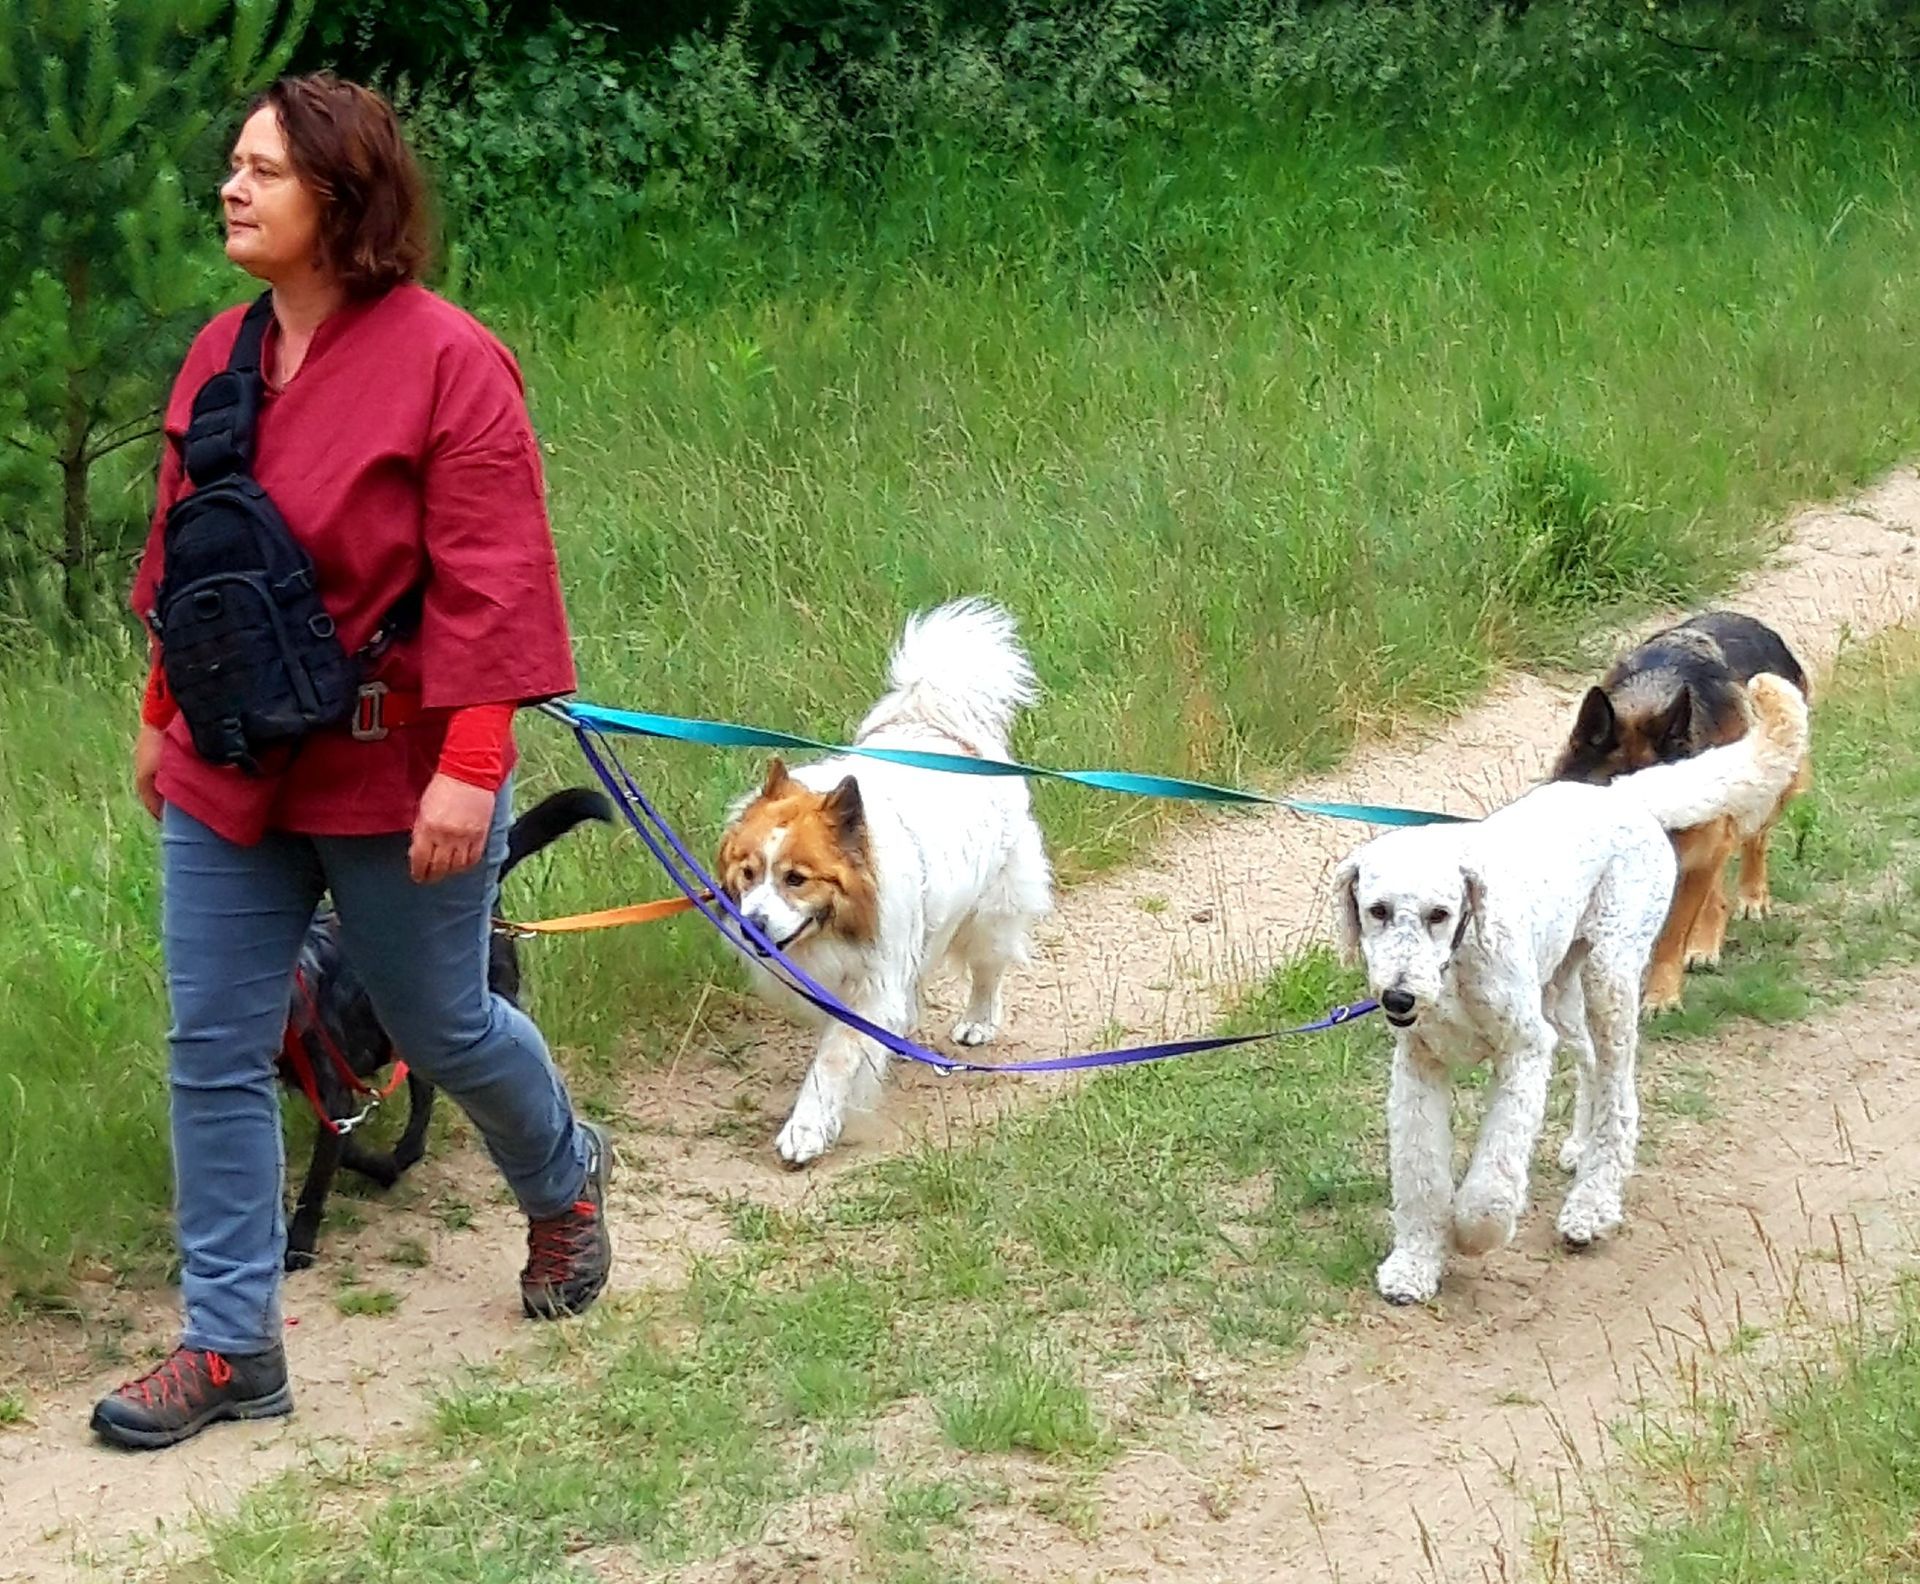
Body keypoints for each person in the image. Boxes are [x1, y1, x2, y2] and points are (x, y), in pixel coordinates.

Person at [92, 74, 613, 1452]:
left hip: (398, 772)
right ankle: (230, 1345)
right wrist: (158, 707)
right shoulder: (217, 356)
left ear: (344, 195)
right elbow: (188, 560)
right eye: (233, 165)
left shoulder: (451, 360)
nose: (232, 187)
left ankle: (563, 1180)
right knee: (211, 1047)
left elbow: (494, 581)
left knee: (441, 1023)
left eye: (264, 169)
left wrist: (473, 764)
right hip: (229, 764)